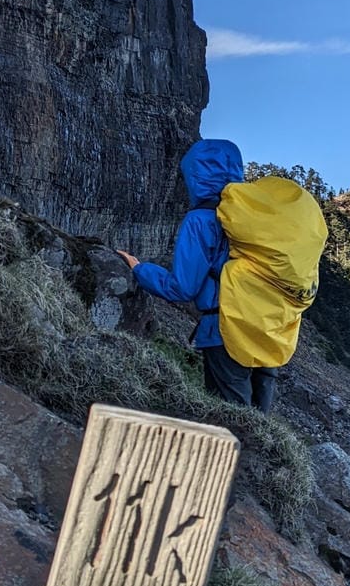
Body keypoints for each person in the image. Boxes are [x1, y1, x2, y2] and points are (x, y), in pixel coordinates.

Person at [117, 138, 280, 413]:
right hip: (269, 327)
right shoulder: (256, 217)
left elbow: (183, 288)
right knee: (260, 422)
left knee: (232, 419)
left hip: (226, 329)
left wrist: (139, 269)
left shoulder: (201, 219)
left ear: (196, 174)